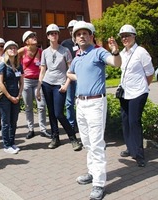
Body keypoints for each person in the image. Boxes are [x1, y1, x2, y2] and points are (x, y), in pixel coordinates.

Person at [67, 21, 121, 200]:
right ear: (75, 38)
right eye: (78, 34)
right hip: (80, 104)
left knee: (96, 143)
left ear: (91, 36)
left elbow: (115, 63)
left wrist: (115, 50)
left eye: (85, 33)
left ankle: (98, 183)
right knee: (87, 142)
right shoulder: (77, 58)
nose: (82, 36)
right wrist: (78, 77)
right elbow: (69, 73)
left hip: (96, 103)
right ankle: (92, 172)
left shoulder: (98, 52)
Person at [36, 24, 82, 151]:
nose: (53, 35)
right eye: (51, 33)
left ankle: (73, 138)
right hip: (46, 84)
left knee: (59, 113)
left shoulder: (65, 51)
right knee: (51, 113)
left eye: (55, 33)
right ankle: (55, 137)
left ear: (58, 35)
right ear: (47, 36)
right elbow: (43, 70)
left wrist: (66, 84)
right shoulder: (44, 52)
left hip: (60, 85)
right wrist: (39, 87)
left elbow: (71, 69)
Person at [117, 24, 154, 167]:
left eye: (127, 35)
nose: (125, 38)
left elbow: (150, 74)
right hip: (125, 92)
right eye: (122, 36)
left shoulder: (141, 52)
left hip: (138, 93)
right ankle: (130, 148)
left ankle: (139, 154)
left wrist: (143, 86)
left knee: (134, 122)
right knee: (125, 122)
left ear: (134, 36)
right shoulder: (122, 53)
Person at [18, 31, 51, 139]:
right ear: (26, 41)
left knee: (41, 106)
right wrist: (17, 73)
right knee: (28, 106)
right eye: (31, 37)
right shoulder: (22, 51)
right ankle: (30, 129)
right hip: (26, 81)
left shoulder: (41, 51)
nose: (34, 37)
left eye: (34, 35)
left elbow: (45, 65)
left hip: (38, 81)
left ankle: (43, 129)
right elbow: (11, 59)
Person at [0, 40, 24, 154]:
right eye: (10, 48)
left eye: (14, 48)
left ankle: (12, 142)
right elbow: (0, 83)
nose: (13, 49)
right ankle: (6, 144)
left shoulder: (18, 66)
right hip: (5, 97)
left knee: (14, 121)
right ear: (6, 51)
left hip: (16, 96)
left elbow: (22, 82)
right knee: (6, 121)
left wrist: (19, 95)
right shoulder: (3, 65)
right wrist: (9, 96)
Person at [61, 20, 78, 131]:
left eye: (74, 28)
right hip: (70, 77)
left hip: (82, 76)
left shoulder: (84, 42)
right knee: (69, 102)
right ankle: (71, 125)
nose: (72, 31)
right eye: (70, 29)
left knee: (81, 101)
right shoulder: (65, 44)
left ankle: (81, 123)